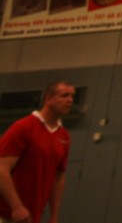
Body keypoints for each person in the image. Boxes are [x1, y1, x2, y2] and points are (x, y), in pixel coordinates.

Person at [0, 81, 74, 223]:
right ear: (48, 99)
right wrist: (16, 206)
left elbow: (58, 179)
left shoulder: (64, 137)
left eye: (72, 96)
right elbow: (2, 168)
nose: (70, 100)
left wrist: (54, 216)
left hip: (31, 216)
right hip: (5, 214)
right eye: (64, 95)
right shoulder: (24, 127)